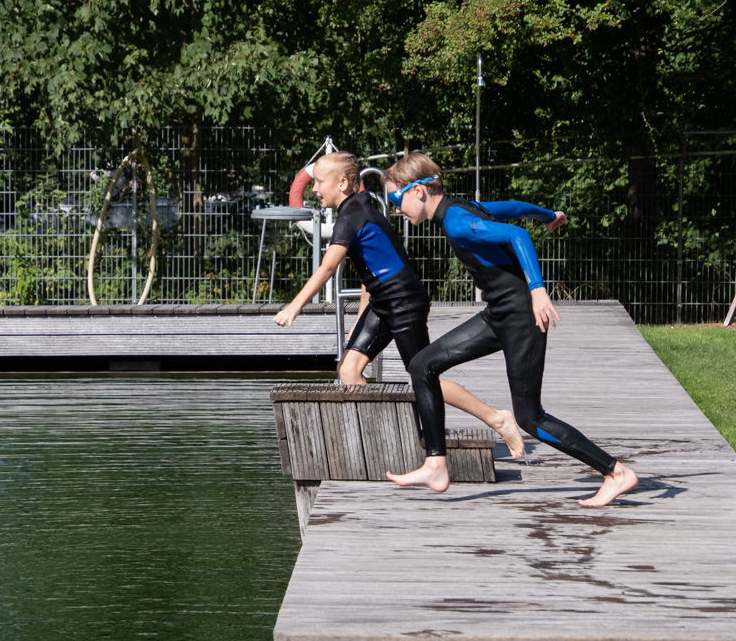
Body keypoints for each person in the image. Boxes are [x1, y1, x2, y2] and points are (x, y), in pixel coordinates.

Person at [380, 153, 638, 507]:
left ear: (419, 191)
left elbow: (517, 233)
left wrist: (537, 289)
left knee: (531, 417)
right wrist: (549, 215)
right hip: (499, 314)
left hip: (521, 318)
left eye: (396, 199)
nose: (396, 209)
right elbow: (515, 208)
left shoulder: (457, 223)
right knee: (422, 365)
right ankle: (436, 465)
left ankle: (615, 472)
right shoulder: (463, 208)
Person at [273, 151, 524, 455]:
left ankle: (497, 418)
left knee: (421, 374)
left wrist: (294, 307)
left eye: (319, 182)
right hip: (382, 302)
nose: (314, 189)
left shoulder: (353, 215)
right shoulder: (356, 210)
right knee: (348, 370)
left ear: (342, 184)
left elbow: (327, 268)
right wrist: (362, 318)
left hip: (404, 302)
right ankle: (379, 442)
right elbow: (370, 272)